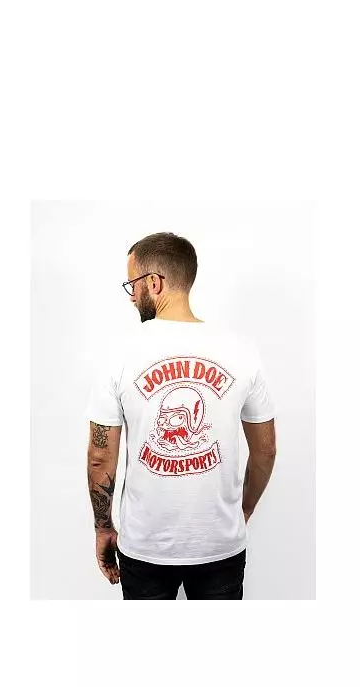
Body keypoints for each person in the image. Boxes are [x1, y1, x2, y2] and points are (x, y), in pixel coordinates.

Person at [84, 232, 277, 599]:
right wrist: (243, 511)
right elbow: (266, 450)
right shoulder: (241, 351)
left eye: (133, 284)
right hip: (221, 545)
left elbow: (99, 457)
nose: (131, 295)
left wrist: (102, 527)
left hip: (144, 548)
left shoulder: (119, 354)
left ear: (154, 283)